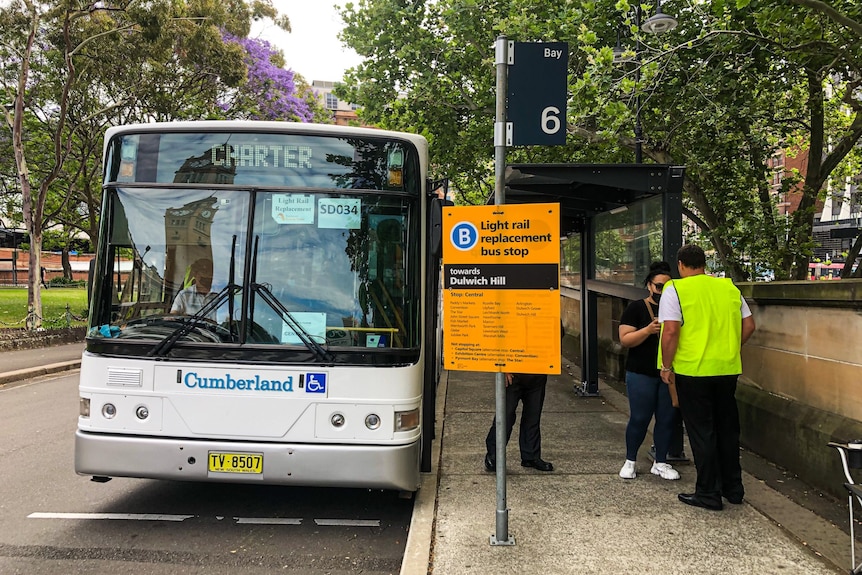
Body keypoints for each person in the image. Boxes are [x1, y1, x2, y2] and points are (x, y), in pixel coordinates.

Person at [658, 244, 756, 511]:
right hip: (727, 369)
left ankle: (708, 492)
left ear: (680, 264)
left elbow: (670, 332)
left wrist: (667, 367)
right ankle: (733, 489)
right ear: (704, 264)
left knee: (702, 433)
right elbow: (749, 325)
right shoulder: (728, 287)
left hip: (693, 371)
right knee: (727, 430)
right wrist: (731, 349)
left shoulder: (675, 289)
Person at [618, 262, 680, 481]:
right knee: (640, 417)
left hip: (669, 371)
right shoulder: (636, 308)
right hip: (641, 372)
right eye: (658, 286)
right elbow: (625, 339)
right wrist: (647, 329)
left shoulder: (677, 307)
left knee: (666, 418)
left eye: (667, 287)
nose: (662, 291)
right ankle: (630, 460)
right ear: (649, 286)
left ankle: (660, 461)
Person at [483, 323, 563, 473]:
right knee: (505, 415)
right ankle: (493, 455)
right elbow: (499, 335)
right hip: (513, 372)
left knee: (533, 416)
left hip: (537, 371)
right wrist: (502, 367)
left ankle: (530, 456)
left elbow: (558, 332)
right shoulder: (514, 307)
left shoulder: (546, 309)